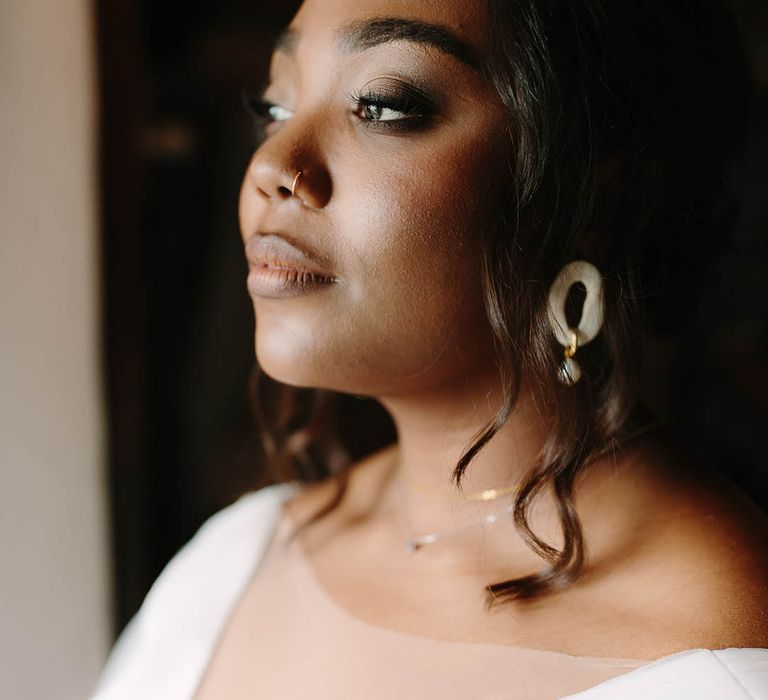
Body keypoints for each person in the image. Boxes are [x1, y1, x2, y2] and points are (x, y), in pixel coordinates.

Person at [92, 0, 768, 697]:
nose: (272, 164)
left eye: (383, 106)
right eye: (274, 107)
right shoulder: (238, 559)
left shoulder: (711, 666)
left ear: (595, 194)